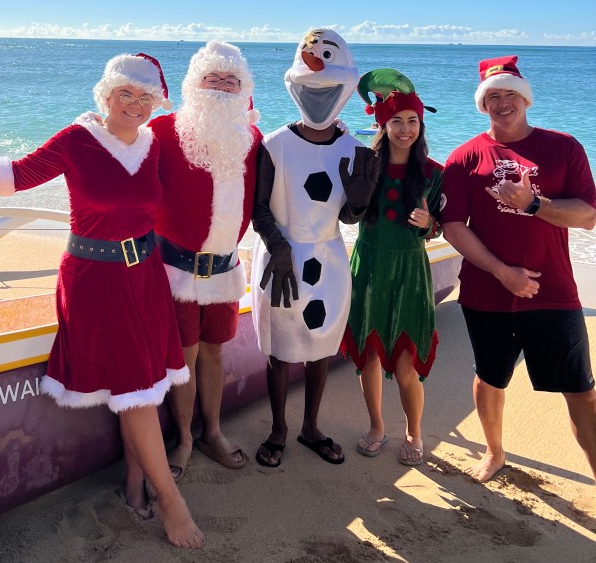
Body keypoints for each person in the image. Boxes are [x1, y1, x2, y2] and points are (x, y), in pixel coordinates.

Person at [0, 53, 205, 548]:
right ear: (107, 94)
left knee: (139, 385)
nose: (136, 106)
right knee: (136, 387)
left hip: (146, 277)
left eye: (146, 98)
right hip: (95, 280)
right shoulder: (77, 140)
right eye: (126, 95)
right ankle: (171, 502)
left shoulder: (152, 145)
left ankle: (135, 483)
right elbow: (11, 176)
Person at [443, 55, 596, 483]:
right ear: (483, 103)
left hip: (554, 293)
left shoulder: (564, 147)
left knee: (581, 392)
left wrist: (532, 204)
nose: (502, 102)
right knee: (490, 378)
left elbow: (587, 215)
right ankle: (495, 453)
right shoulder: (463, 158)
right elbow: (454, 226)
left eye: (510, 93)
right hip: (487, 293)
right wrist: (501, 271)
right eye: (493, 95)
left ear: (525, 98)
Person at [250, 28, 380, 467]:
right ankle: (278, 428)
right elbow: (259, 208)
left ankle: (311, 427)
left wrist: (360, 202)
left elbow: (346, 217)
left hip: (328, 257)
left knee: (321, 344)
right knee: (279, 346)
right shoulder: (273, 145)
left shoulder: (353, 149)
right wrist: (278, 245)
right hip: (280, 261)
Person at [150, 41, 262, 480]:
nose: (221, 87)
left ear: (243, 91)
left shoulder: (251, 138)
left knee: (214, 351)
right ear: (194, 85)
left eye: (231, 81)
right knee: (183, 355)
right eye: (212, 79)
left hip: (225, 268)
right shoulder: (162, 130)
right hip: (175, 268)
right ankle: (183, 439)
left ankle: (212, 432)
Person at [341, 69, 443, 466]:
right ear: (381, 125)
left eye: (412, 121)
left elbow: (444, 227)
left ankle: (414, 432)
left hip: (409, 276)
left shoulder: (434, 174)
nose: (405, 129)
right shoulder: (366, 165)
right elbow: (347, 214)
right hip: (367, 266)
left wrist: (429, 225)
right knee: (367, 356)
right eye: (396, 121)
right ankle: (376, 427)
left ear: (421, 124)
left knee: (405, 365)